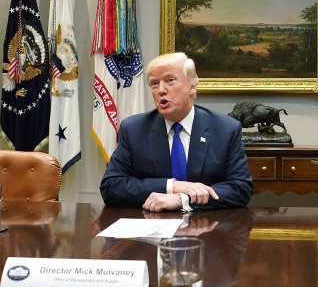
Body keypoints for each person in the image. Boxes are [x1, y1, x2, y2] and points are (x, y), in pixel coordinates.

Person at [100, 52, 253, 211]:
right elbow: (111, 187)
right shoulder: (133, 129)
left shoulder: (226, 129)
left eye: (170, 80)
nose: (161, 90)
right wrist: (171, 186)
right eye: (154, 83)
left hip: (206, 227)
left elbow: (240, 188)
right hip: (151, 226)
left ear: (192, 87)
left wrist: (182, 199)